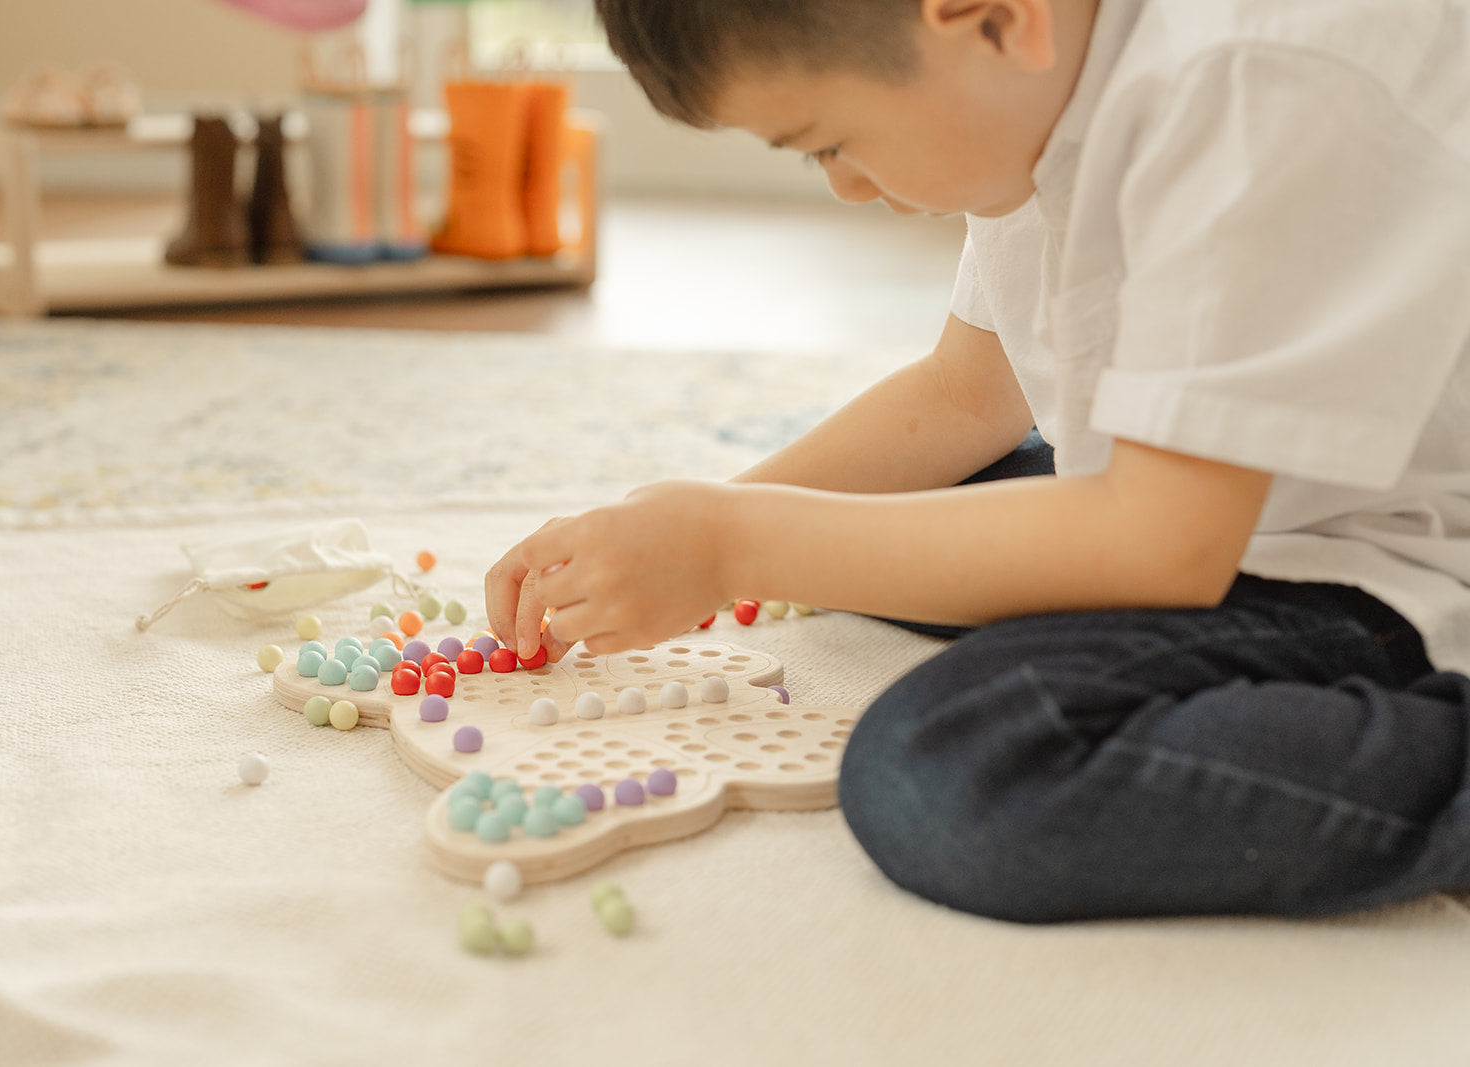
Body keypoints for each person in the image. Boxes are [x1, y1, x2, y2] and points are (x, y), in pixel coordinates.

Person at [484, 0, 1470, 922]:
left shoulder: (1254, 83)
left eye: (829, 139)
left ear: (996, 17)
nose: (845, 183)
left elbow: (1161, 542)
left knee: (952, 767)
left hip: (1389, 546)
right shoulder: (1035, 80)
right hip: (1217, 497)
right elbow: (965, 396)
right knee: (897, 515)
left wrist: (730, 542)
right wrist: (689, 527)